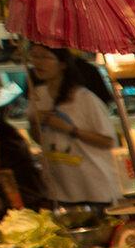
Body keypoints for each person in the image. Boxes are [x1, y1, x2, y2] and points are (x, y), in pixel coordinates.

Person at [26, 46, 121, 205]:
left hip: (93, 189)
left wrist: (69, 129)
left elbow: (108, 141)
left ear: (62, 64)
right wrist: (35, 123)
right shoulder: (37, 95)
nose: (38, 62)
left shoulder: (85, 98)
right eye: (34, 56)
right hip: (59, 190)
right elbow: (38, 138)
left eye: (45, 57)